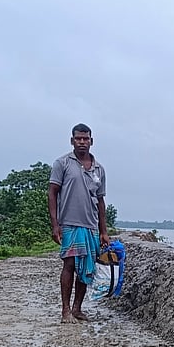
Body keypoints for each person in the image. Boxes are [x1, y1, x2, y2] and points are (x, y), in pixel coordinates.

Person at [49, 123, 110, 323]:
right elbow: (52, 193)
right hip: (69, 224)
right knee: (69, 265)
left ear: (91, 141)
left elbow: (100, 201)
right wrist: (55, 225)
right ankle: (65, 310)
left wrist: (104, 231)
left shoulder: (99, 169)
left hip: (91, 225)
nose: (82, 142)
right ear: (72, 140)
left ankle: (77, 308)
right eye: (78, 138)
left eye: (85, 139)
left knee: (86, 267)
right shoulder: (63, 163)